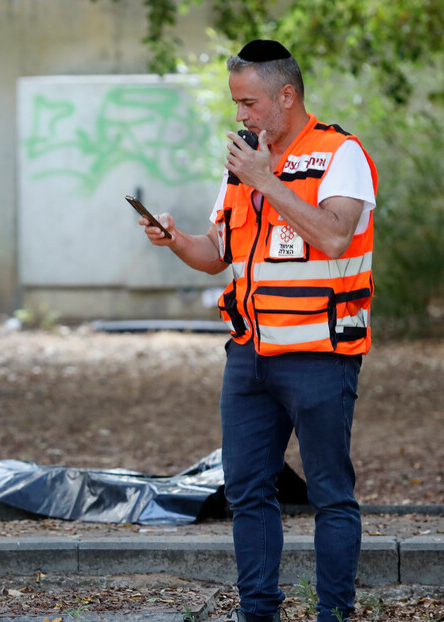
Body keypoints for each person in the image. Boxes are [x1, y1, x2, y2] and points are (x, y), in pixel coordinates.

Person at [139, 40, 377, 622]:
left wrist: (267, 180)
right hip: (249, 357)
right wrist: (176, 242)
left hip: (321, 356)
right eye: (236, 104)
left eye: (249, 103)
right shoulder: (243, 165)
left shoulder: (340, 154)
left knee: (330, 495)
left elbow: (334, 237)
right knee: (247, 490)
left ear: (286, 95)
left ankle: (334, 613)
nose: (240, 116)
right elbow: (219, 251)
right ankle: (259, 612)